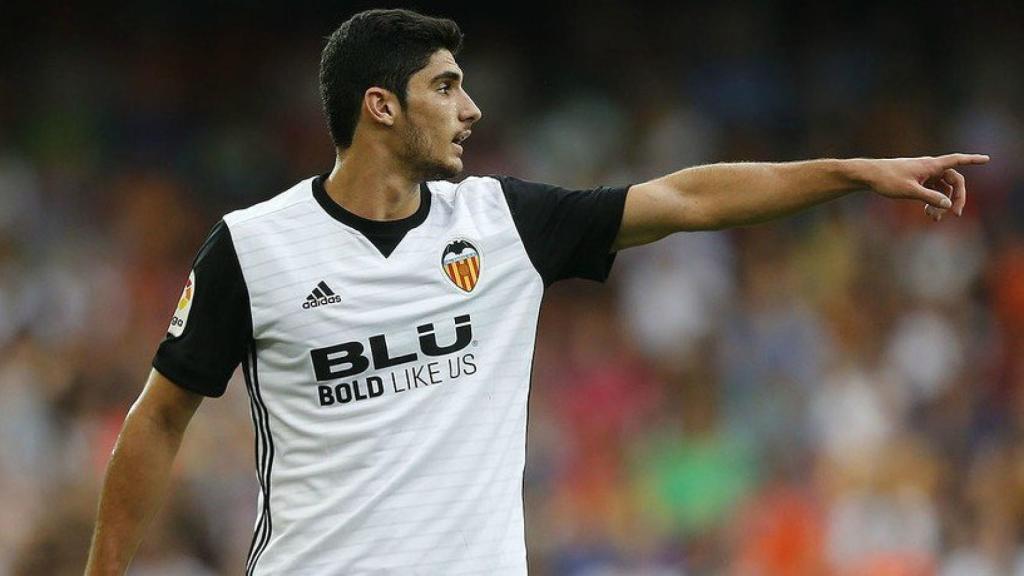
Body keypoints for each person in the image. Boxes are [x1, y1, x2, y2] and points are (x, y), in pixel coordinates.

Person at [84, 8, 988, 576]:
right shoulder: (254, 247)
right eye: (446, 86)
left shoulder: (502, 221)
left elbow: (682, 198)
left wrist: (847, 171)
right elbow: (158, 417)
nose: (471, 107)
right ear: (380, 106)